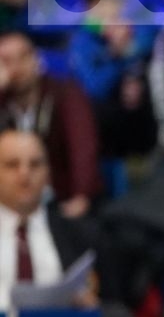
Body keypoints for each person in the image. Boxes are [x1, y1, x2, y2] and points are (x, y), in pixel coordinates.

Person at [0, 127, 135, 317]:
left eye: (35, 165)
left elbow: (114, 300)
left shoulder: (81, 233)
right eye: (12, 165)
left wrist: (89, 307)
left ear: (48, 174)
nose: (24, 175)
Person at [0, 30, 100, 215]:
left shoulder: (64, 94)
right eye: (6, 60)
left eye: (23, 56)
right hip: (9, 207)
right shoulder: (3, 102)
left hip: (59, 202)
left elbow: (82, 147)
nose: (16, 67)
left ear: (36, 58)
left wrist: (82, 196)